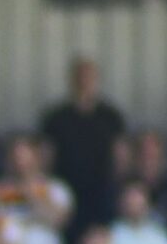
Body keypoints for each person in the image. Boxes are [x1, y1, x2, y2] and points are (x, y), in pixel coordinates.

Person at [41, 57, 125, 234]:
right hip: (66, 189)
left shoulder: (110, 117)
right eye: (80, 76)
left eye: (89, 77)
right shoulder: (56, 118)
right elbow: (47, 156)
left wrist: (117, 186)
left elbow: (120, 155)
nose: (84, 82)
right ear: (71, 80)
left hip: (101, 191)